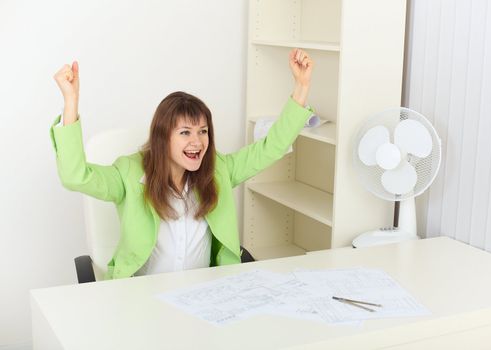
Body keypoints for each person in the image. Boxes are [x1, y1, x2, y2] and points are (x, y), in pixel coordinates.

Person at [51, 49, 314, 279]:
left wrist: (301, 87)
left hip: (201, 296)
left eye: (203, 131)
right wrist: (71, 102)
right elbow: (76, 176)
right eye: (185, 132)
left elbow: (271, 148)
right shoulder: (129, 174)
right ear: (162, 138)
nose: (197, 142)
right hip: (141, 299)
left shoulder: (218, 170)